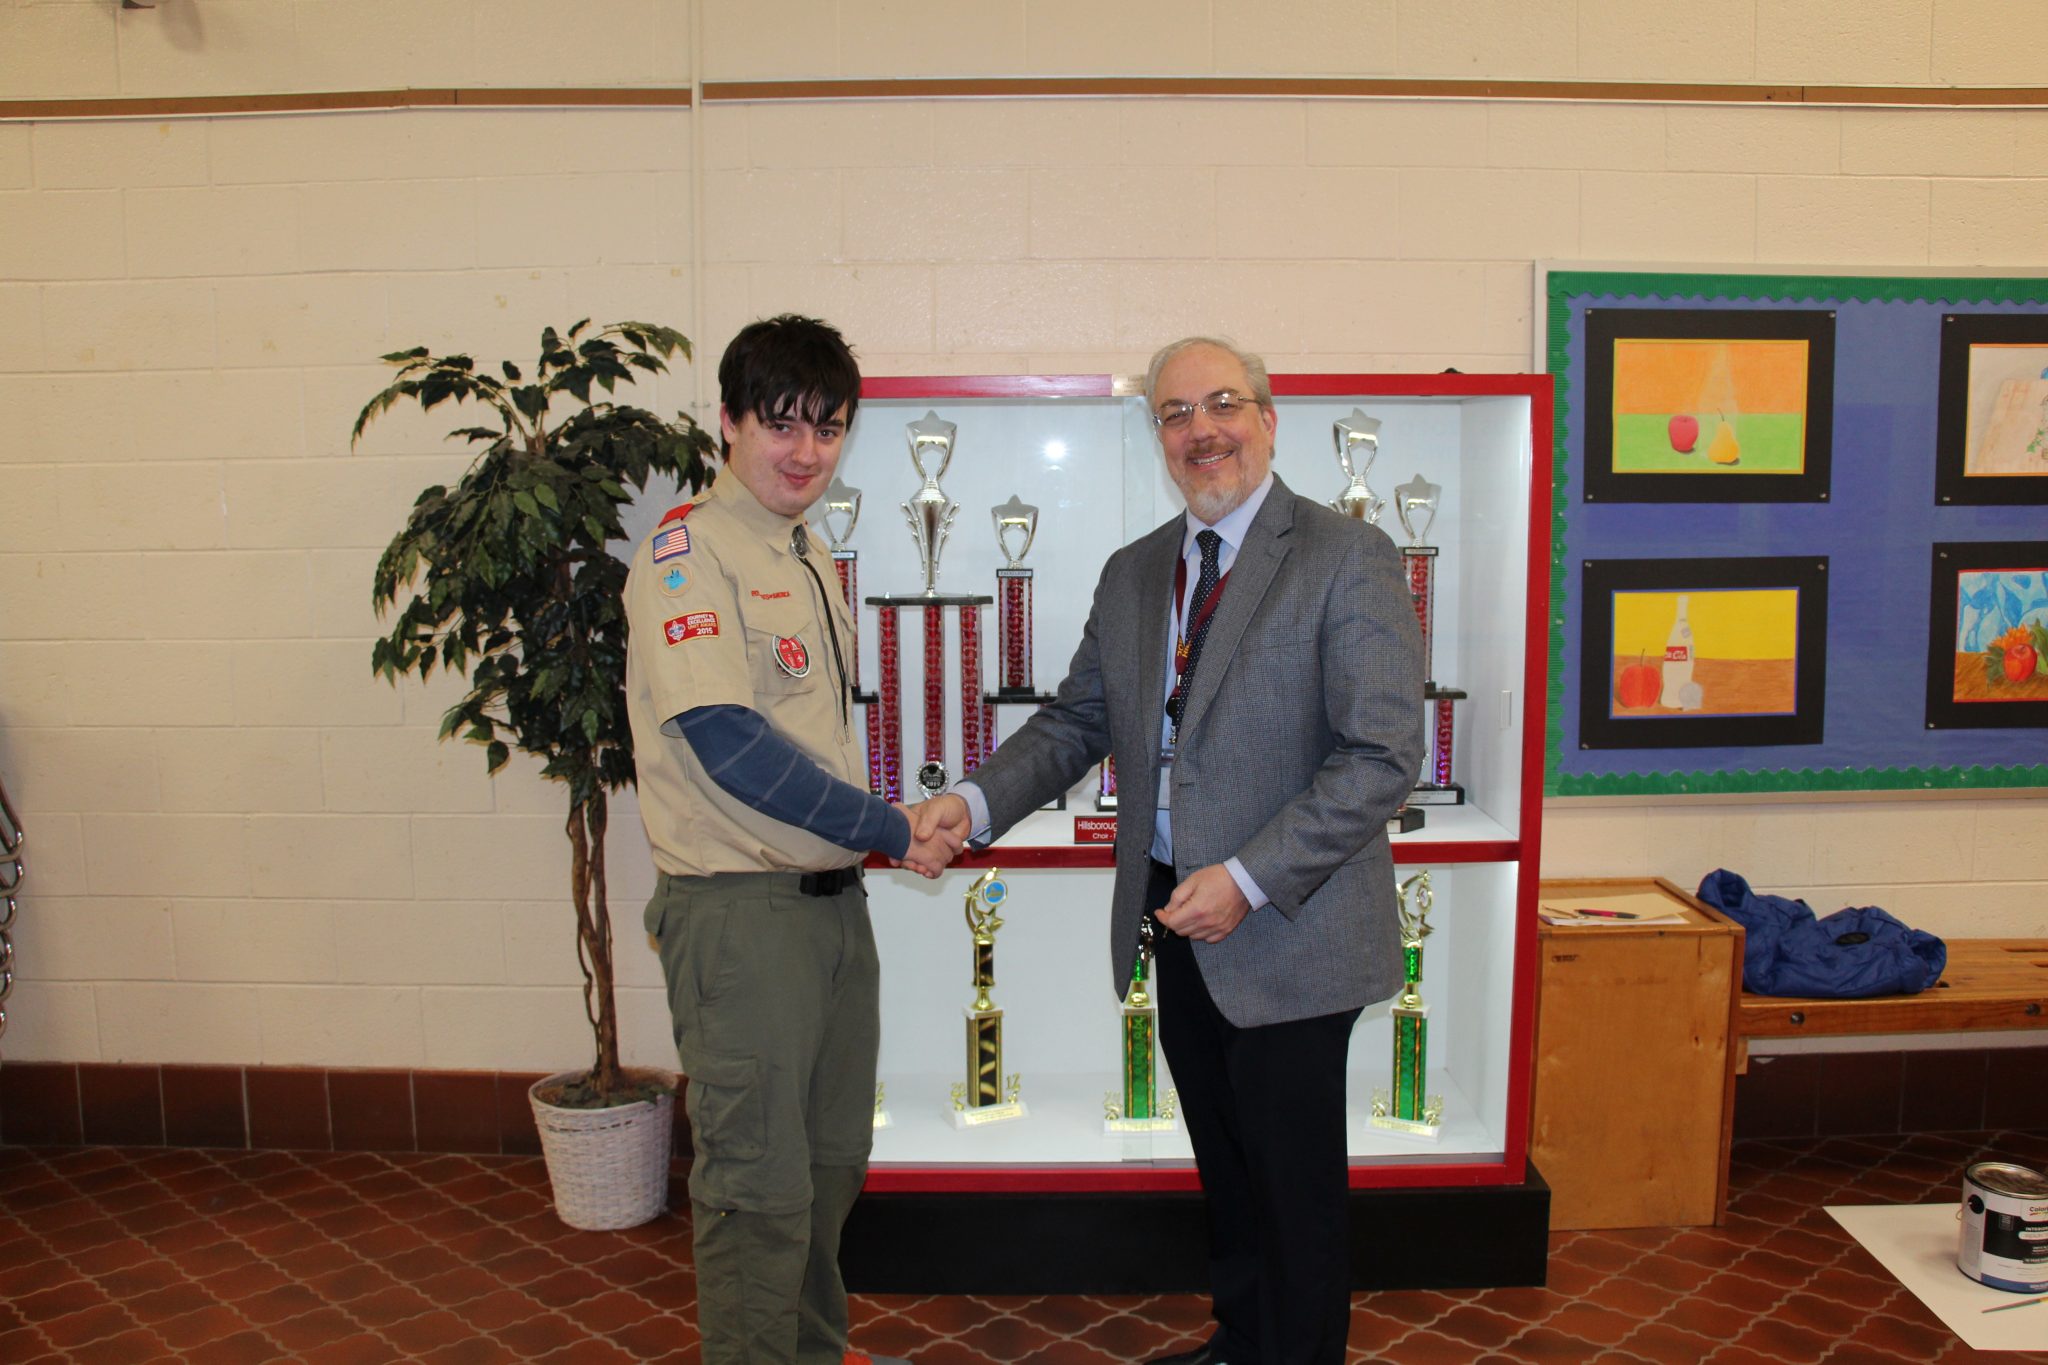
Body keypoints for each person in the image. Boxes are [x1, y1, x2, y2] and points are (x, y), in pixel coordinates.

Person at [914, 337, 1426, 1365]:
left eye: (1222, 404)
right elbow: (1074, 721)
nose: (1202, 430)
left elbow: (1380, 757)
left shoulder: (1345, 556)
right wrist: (971, 802)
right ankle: (1244, 1340)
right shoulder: (1137, 572)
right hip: (1171, 913)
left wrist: (1243, 880)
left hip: (1286, 924)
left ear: (1267, 418)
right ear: (1157, 434)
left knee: (1294, 1191)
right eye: (1175, 412)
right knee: (1229, 1172)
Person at [624, 314, 952, 1365]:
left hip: (828, 916)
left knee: (824, 1170)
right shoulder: (687, 556)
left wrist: (880, 832)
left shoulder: (802, 548)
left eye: (828, 428)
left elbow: (809, 734)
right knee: (756, 1191)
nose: (805, 452)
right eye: (781, 426)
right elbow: (731, 748)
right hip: (740, 921)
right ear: (726, 422)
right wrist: (891, 829)